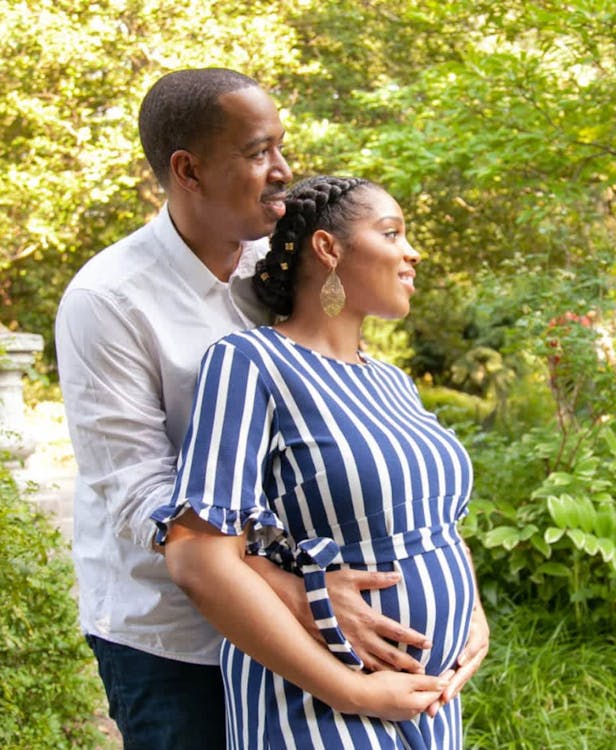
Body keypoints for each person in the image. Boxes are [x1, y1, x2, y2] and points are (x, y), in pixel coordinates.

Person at [55, 69, 438, 750]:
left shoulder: (284, 266)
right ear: (189, 170)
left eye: (281, 148)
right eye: (258, 153)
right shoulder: (108, 300)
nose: (283, 171)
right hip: (172, 640)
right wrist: (303, 592)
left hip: (306, 638)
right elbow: (141, 493)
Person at [152, 175, 490, 748]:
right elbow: (198, 561)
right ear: (328, 249)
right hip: (317, 702)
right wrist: (348, 690)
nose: (413, 252)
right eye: (392, 233)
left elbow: (438, 523)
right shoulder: (250, 363)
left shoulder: (392, 381)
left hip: (430, 699)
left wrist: (472, 610)